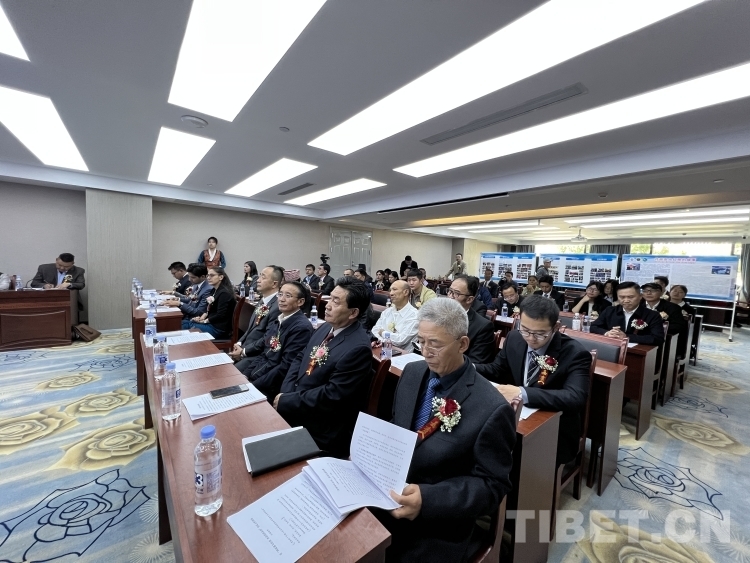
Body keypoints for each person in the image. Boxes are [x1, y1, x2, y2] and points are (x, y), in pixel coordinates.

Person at [375, 298, 516, 562]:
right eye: (421, 341)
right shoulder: (412, 372)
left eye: (435, 344)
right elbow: (398, 426)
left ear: (462, 344)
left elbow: (492, 486)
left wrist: (428, 499)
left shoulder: (491, 408)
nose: (426, 351)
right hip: (388, 494)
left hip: (437, 520)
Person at [475, 295, 591, 466]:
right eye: (525, 329)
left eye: (540, 334)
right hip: (519, 419)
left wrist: (522, 393)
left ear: (556, 327)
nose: (530, 338)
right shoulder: (514, 338)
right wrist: (469, 366)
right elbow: (496, 369)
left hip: (555, 429)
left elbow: (575, 397)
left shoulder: (575, 353)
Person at [275, 278, 373, 458]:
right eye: (330, 298)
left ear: (353, 312)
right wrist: (286, 393)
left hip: (319, 425)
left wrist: (289, 401)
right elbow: (301, 357)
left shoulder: (358, 348)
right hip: (296, 403)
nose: (327, 305)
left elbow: (332, 395)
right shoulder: (326, 327)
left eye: (336, 301)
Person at [239, 282, 314, 399]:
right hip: (260, 374)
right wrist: (246, 374)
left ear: (300, 302)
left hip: (272, 385)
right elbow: (265, 353)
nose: (281, 299)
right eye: (280, 294)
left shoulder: (301, 328)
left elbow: (285, 367)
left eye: (288, 296)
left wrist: (253, 385)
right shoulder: (279, 320)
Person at [231, 266, 284, 368]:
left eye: (263, 277)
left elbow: (268, 338)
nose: (258, 280)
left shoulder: (278, 307)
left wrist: (243, 352)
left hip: (257, 355)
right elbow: (250, 329)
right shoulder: (263, 301)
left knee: (229, 374)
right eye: (259, 276)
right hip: (246, 348)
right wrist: (239, 343)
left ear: (274, 284)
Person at [590, 281, 664, 346]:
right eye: (622, 297)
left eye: (630, 297)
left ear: (640, 296)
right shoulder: (610, 310)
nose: (626, 300)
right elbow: (594, 327)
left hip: (638, 351)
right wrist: (607, 333)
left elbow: (658, 339)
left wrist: (626, 337)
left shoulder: (652, 315)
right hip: (612, 347)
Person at [447, 275, 495, 364]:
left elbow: (476, 363)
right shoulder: (439, 315)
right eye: (450, 291)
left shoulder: (483, 327)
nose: (450, 297)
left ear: (469, 299)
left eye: (456, 293)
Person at [181, 266, 236, 338]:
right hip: (212, 323)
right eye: (208, 275)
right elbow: (210, 310)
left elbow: (220, 315)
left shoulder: (224, 293)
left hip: (218, 328)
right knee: (184, 322)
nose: (208, 278)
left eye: (212, 275)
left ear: (221, 277)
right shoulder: (214, 290)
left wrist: (205, 321)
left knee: (185, 324)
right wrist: (202, 318)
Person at [371, 280, 419, 348]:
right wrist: (382, 341)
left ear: (406, 292)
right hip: (381, 348)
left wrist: (382, 333)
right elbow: (374, 330)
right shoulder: (387, 311)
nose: (391, 293)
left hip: (400, 353)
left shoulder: (414, 315)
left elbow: (400, 340)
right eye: (390, 290)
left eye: (394, 289)